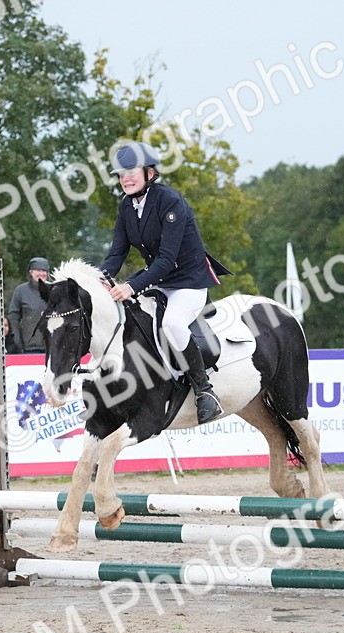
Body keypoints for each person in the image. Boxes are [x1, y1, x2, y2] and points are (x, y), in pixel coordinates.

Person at [99, 141, 231, 424]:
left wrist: (131, 286)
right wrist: (100, 278)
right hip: (159, 281)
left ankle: (204, 391)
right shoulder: (126, 207)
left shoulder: (170, 201)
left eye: (131, 172)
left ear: (150, 173)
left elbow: (166, 260)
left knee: (172, 323)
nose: (125, 179)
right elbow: (117, 252)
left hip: (188, 281)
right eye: (121, 174)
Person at [7, 257, 51, 353]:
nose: (41, 273)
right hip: (29, 347)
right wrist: (17, 341)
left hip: (52, 347)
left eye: (44, 270)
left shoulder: (55, 290)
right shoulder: (21, 291)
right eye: (38, 270)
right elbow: (13, 317)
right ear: (31, 272)